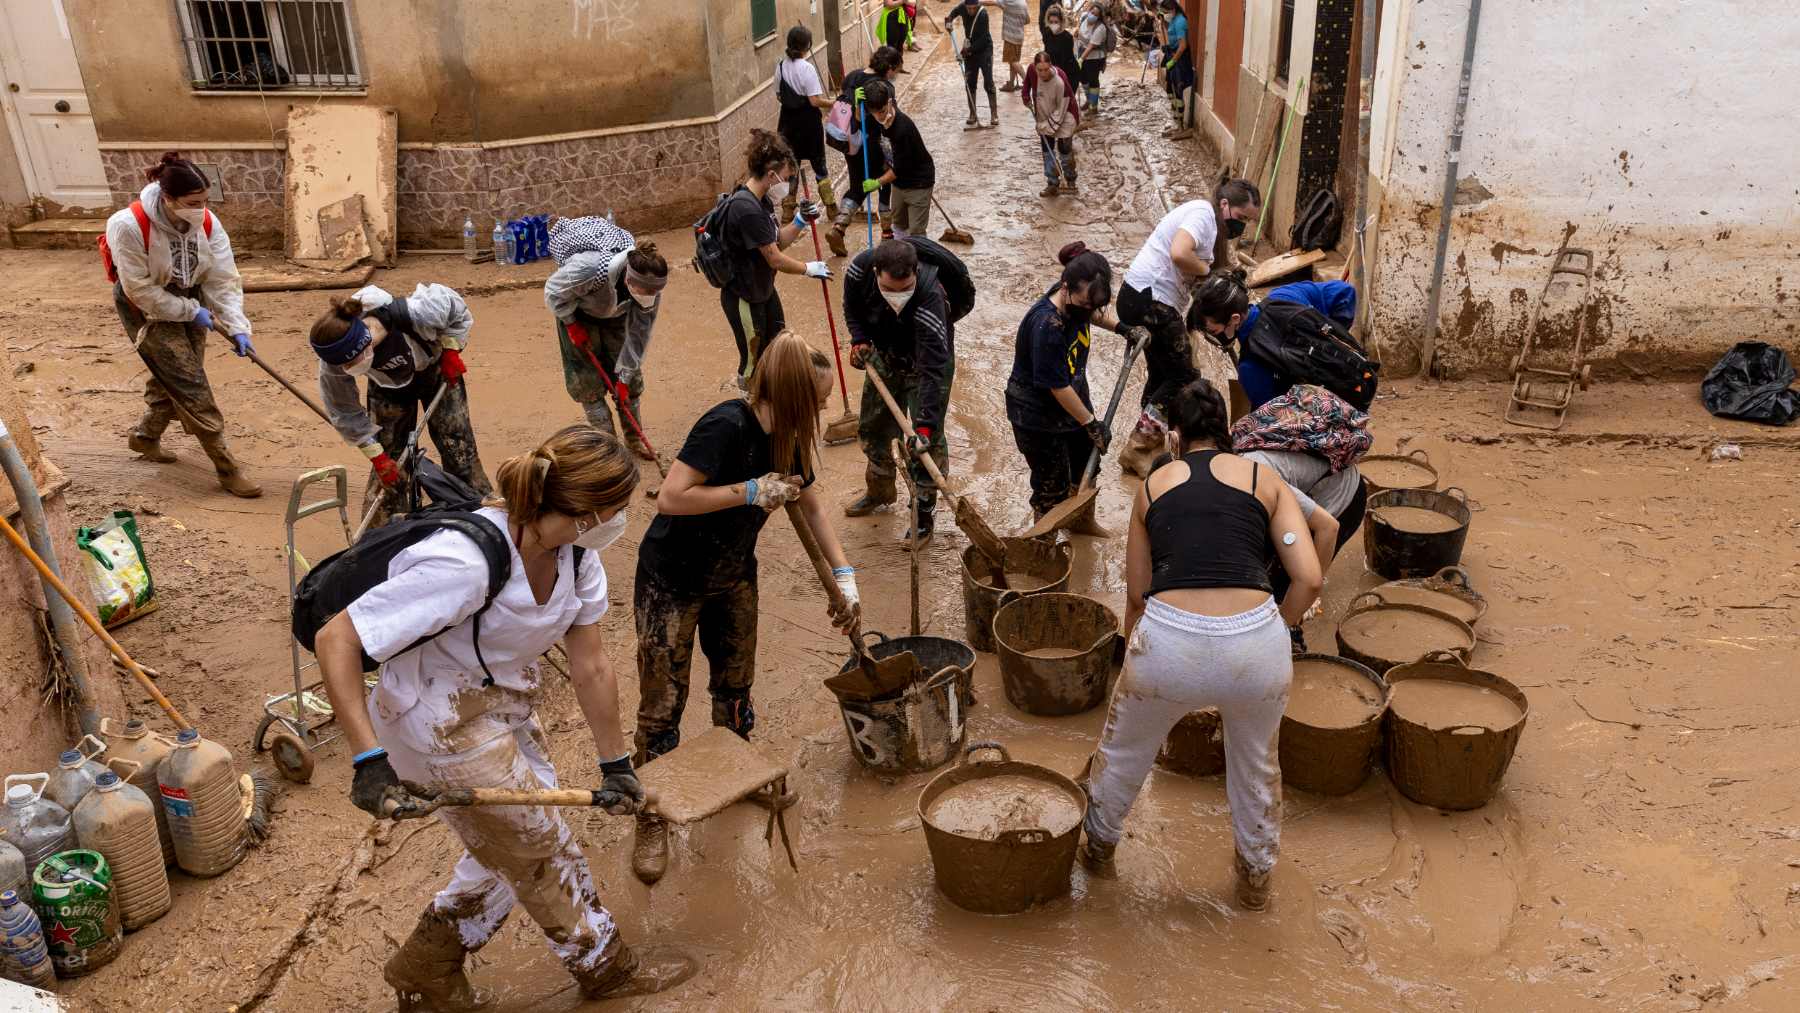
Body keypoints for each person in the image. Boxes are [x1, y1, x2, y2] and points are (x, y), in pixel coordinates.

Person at [313, 425, 694, 1006]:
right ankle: (605, 969)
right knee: (542, 850)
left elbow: (591, 667)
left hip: (502, 706)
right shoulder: (463, 563)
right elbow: (336, 638)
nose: (621, 522)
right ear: (585, 511)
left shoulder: (577, 558)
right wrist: (367, 760)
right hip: (434, 724)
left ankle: (427, 962)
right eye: (616, 510)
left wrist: (616, 764)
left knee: (506, 847)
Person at [1080, 378, 1321, 912]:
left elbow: (1139, 595)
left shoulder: (1153, 486)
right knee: (1256, 768)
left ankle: (1098, 853)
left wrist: (1130, 656)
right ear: (1228, 432)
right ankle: (1254, 885)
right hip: (1256, 647)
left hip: (1169, 644)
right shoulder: (1266, 479)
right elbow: (1309, 579)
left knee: (1123, 754)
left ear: (1174, 435)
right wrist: (1276, 628)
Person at [629, 332, 860, 882]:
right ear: (790, 394)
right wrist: (750, 492)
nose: (824, 410)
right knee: (663, 701)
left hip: (733, 574)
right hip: (673, 579)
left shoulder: (792, 436)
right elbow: (672, 497)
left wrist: (844, 576)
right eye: (818, 401)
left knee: (735, 683)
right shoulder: (726, 426)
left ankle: (737, 769)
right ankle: (651, 809)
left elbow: (811, 504)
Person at [106, 151, 260, 497]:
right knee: (191, 383)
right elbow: (140, 290)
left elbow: (223, 278)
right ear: (167, 198)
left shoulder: (206, 221)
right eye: (193, 202)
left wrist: (237, 325)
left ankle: (145, 437)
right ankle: (227, 468)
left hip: (192, 297)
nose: (201, 208)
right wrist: (190, 312)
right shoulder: (127, 226)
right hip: (145, 307)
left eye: (205, 200)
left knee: (175, 373)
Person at [308, 285, 493, 527]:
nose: (345, 369)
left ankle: (482, 518)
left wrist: (451, 349)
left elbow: (455, 309)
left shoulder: (417, 313)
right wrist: (377, 457)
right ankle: (385, 533)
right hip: (388, 389)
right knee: (390, 465)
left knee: (459, 448)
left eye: (349, 363)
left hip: (439, 372)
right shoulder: (334, 359)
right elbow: (344, 411)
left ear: (363, 343)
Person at [1230, 383, 1372, 649]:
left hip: (1342, 502)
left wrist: (1307, 594)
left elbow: (1328, 528)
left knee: (1287, 583)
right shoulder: (1232, 467)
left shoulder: (1260, 478)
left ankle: (1289, 643)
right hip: (1312, 487)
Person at [1006, 242, 1132, 518]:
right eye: (1085, 303)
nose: (1089, 310)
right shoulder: (1047, 327)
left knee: (1088, 465)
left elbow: (1092, 313)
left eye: (1094, 304)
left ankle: (1081, 526)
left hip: (1072, 403)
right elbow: (1057, 386)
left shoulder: (1075, 298)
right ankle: (1043, 544)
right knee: (1052, 485)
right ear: (1065, 287)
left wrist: (1121, 329)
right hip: (1037, 414)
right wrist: (1090, 422)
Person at [842, 239, 956, 543]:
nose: (897, 297)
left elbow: (934, 371)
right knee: (873, 426)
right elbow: (852, 307)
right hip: (885, 352)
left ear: (915, 272)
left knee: (923, 446)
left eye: (904, 289)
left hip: (927, 364)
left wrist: (926, 427)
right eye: (889, 289)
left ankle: (923, 514)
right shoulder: (858, 272)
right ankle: (880, 491)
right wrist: (859, 338)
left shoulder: (931, 298)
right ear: (876, 272)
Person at [1119, 176, 1262, 414]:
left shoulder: (1214, 228)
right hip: (1150, 300)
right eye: (1241, 217)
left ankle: (1151, 431)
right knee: (1184, 378)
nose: (1242, 225)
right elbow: (1179, 253)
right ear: (1224, 204)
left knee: (1163, 375)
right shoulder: (1203, 214)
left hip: (1139, 297)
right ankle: (1145, 436)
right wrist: (1207, 271)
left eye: (1248, 221)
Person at [544, 221, 670, 456]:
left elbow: (638, 336)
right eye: (646, 291)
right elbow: (553, 292)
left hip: (616, 316)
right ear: (628, 280)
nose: (651, 297)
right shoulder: (588, 269)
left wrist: (624, 378)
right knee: (588, 383)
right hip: (578, 314)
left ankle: (634, 440)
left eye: (655, 292)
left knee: (630, 384)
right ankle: (607, 449)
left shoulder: (650, 291)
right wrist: (571, 324)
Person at [719, 130, 831, 385]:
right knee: (753, 359)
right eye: (786, 178)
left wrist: (801, 221)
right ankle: (748, 404)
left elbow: (776, 241)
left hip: (763, 289)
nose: (787, 184)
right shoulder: (746, 209)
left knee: (777, 346)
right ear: (771, 175)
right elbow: (775, 259)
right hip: (743, 296)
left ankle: (770, 400)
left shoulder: (762, 202)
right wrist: (808, 268)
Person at [826, 47, 903, 257]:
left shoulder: (852, 76)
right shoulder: (885, 86)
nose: (895, 75)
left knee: (858, 186)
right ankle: (887, 236)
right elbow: (889, 117)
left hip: (851, 142)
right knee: (884, 183)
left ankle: (839, 227)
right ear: (889, 68)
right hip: (873, 142)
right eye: (895, 70)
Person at [1235, 280, 1358, 410]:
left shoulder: (1250, 363)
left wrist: (1330, 340)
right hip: (1355, 385)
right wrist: (1333, 338)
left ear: (1234, 319)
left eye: (1213, 330)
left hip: (1319, 415)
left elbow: (1269, 418)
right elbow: (1344, 291)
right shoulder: (1285, 295)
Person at [775, 26, 838, 223]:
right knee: (819, 165)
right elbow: (814, 101)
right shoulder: (807, 69)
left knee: (790, 166)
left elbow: (779, 95)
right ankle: (831, 208)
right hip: (809, 124)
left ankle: (787, 212)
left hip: (787, 123)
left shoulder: (780, 67)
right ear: (808, 46)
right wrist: (832, 103)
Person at [863, 80, 937, 240]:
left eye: (882, 111)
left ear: (889, 103)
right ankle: (901, 260)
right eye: (874, 113)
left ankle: (920, 262)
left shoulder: (903, 129)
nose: (879, 117)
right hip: (899, 184)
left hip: (919, 182)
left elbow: (899, 169)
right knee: (899, 225)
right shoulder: (876, 118)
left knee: (917, 232)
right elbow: (858, 121)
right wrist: (858, 105)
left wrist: (877, 182)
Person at [1023, 50, 1080, 196]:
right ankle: (1052, 182)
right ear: (1035, 68)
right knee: (1047, 149)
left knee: (1064, 147)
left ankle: (1070, 178)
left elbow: (1061, 110)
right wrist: (1025, 96)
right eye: (1039, 70)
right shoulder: (1031, 70)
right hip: (1043, 112)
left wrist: (1046, 126)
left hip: (1065, 114)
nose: (1042, 74)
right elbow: (1027, 84)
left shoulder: (1060, 80)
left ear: (1051, 66)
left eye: (1046, 70)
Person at [946, 0, 1000, 128]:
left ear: (977, 6)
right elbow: (953, 12)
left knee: (988, 82)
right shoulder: (962, 7)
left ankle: (994, 114)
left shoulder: (983, 14)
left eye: (973, 8)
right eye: (968, 8)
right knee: (970, 82)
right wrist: (948, 21)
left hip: (984, 50)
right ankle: (972, 114)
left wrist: (967, 50)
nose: (970, 11)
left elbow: (983, 39)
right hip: (970, 50)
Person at [1161, 0, 1193, 136]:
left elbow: (1183, 45)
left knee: (1178, 91)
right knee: (1171, 90)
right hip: (1172, 55)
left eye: (1166, 11)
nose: (1164, 14)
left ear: (1173, 9)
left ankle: (1181, 128)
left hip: (1179, 59)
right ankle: (1177, 123)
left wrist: (1173, 61)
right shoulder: (1173, 20)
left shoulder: (1180, 22)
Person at [1075, 2, 1111, 114]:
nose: (1092, 15)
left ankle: (1093, 107)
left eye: (1096, 14)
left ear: (1099, 17)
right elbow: (1077, 33)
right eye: (1092, 12)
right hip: (1082, 54)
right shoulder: (1084, 18)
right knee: (1082, 79)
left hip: (1095, 58)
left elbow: (1091, 46)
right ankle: (1089, 99)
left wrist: (1081, 59)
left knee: (1092, 80)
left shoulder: (1100, 28)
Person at [1043, 6, 1083, 89]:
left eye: (1056, 22)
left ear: (1061, 22)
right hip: (1053, 73)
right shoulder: (1046, 34)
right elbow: (1046, 54)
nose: (1053, 24)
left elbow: (1066, 60)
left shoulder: (1067, 37)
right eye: (1051, 22)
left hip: (1069, 75)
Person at [995, 0, 1031, 91]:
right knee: (1013, 61)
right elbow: (1027, 20)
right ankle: (1011, 84)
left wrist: (977, 2)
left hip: (1011, 37)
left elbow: (991, 2)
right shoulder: (1023, 2)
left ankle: (1028, 81)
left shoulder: (1008, 1)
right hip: (1019, 36)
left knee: (1013, 61)